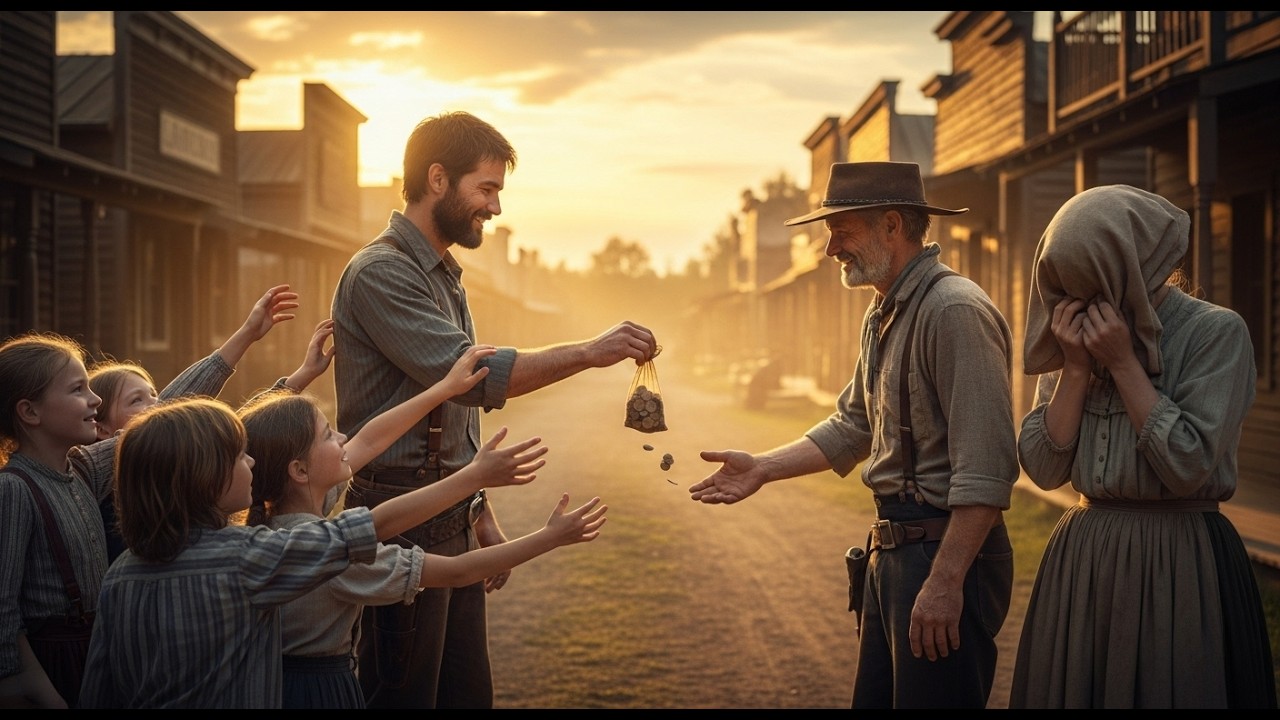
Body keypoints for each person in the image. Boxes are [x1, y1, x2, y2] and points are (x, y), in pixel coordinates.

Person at [330, 109, 658, 708]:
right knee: (403, 694)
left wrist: (476, 504)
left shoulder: (445, 276)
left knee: (464, 694)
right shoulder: (380, 274)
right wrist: (589, 351)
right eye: (486, 189)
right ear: (437, 180)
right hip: (398, 512)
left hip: (448, 509)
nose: (495, 207)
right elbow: (475, 380)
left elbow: (454, 418)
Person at [689, 161, 1018, 709]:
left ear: (892, 225)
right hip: (894, 554)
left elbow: (987, 469)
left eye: (842, 229)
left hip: (943, 553)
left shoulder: (954, 310)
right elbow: (854, 423)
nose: (829, 248)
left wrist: (944, 582)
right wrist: (764, 468)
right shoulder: (883, 311)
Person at [77, 395, 599, 708]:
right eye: (239, 456)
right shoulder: (261, 556)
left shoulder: (122, 573)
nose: (251, 462)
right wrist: (487, 489)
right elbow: (379, 529)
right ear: (202, 479)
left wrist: (441, 390)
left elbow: (99, 685)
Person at [1008, 184, 1276, 709]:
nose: (1081, 304)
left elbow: (1189, 463)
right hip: (1083, 558)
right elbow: (1041, 467)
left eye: (1095, 284)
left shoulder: (1216, 333)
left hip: (1178, 561)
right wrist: (1078, 368)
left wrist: (1126, 364)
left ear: (1132, 265)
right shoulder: (1073, 340)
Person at [240, 345, 607, 709]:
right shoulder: (332, 559)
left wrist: (445, 389)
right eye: (328, 435)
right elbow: (459, 571)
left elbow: (370, 439)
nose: (342, 439)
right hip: (320, 693)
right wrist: (550, 537)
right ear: (299, 470)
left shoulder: (280, 520)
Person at [0, 286, 305, 707]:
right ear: (29, 412)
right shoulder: (14, 490)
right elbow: (3, 618)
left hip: (98, 649)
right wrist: (40, 693)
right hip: (51, 668)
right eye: (76, 391)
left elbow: (168, 416)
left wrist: (247, 335)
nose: (94, 399)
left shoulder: (83, 470)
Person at [86, 287, 328, 562]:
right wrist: (246, 333)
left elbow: (236, 428)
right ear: (101, 428)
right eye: (136, 400)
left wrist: (301, 375)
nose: (156, 405)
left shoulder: (177, 460)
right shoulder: (99, 486)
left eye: (154, 393)